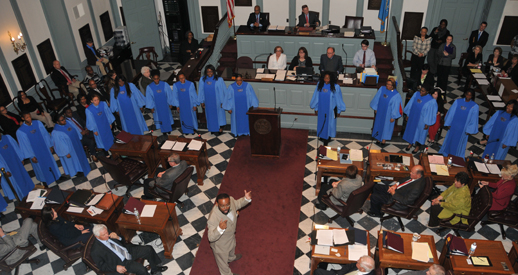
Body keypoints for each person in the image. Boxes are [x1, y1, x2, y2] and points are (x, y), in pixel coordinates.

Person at [91, 224, 167, 275]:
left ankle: (155, 269)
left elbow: (123, 241)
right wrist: (115, 267)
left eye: (106, 232)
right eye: (103, 235)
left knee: (148, 249)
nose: (107, 235)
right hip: (121, 262)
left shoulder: (107, 232)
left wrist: (118, 237)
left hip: (127, 251)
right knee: (142, 270)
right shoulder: (96, 250)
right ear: (97, 236)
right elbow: (101, 266)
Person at [208, 191, 252, 275]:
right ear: (217, 204)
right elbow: (211, 237)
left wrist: (246, 199)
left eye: (227, 205)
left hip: (230, 236)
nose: (225, 208)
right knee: (222, 262)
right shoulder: (213, 217)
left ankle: (231, 258)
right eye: (222, 206)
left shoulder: (230, 200)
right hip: (220, 244)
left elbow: (238, 203)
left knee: (232, 247)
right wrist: (219, 229)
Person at [17, 112, 61, 186]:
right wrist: (31, 156)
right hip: (34, 152)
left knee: (50, 162)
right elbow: (24, 145)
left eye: (30, 116)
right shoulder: (20, 131)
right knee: (40, 167)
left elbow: (45, 134)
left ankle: (56, 176)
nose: (29, 118)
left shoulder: (37, 123)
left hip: (44, 147)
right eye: (27, 117)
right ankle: (44, 180)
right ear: (23, 118)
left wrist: (49, 145)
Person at [438, 89, 478, 158]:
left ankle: (456, 155)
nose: (468, 96)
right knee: (450, 140)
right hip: (454, 125)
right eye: (467, 94)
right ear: (465, 94)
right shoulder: (458, 101)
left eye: (470, 95)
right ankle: (446, 152)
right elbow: (451, 112)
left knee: (459, 143)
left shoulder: (474, 106)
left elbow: (474, 119)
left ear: (472, 96)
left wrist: (469, 130)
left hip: (463, 128)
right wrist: (448, 123)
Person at [309, 72, 346, 145]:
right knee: (322, 122)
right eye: (325, 78)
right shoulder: (320, 85)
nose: (326, 79)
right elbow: (316, 97)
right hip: (321, 108)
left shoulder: (335, 87)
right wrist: (316, 108)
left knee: (329, 124)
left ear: (331, 79)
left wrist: (339, 110)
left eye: (328, 78)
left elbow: (338, 99)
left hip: (331, 110)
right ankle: (322, 136)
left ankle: (327, 137)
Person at [403, 86, 438, 154]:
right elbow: (410, 104)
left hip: (422, 120)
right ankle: (410, 143)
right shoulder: (416, 94)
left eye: (423, 91)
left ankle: (417, 147)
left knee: (420, 133)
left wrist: (427, 123)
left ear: (427, 92)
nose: (420, 92)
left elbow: (431, 113)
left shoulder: (431, 101)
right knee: (411, 130)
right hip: (413, 116)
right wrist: (408, 114)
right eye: (420, 90)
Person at [0, 133, 34, 201]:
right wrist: (3, 171)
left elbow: (16, 146)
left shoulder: (7, 137)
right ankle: (22, 198)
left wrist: (21, 158)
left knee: (23, 177)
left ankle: (31, 192)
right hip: (7, 167)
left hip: (16, 162)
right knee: (14, 182)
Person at [370, 79, 402, 145]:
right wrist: (376, 108)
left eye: (390, 84)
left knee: (386, 126)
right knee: (379, 124)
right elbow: (377, 98)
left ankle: (383, 140)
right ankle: (378, 138)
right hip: (380, 111)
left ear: (393, 85)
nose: (388, 85)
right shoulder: (382, 89)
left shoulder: (396, 95)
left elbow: (396, 107)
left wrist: (393, 116)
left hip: (388, 114)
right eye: (387, 84)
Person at [198, 65, 227, 135]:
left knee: (219, 115)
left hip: (218, 101)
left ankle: (220, 128)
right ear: (206, 72)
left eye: (211, 71)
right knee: (210, 115)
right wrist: (202, 101)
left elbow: (223, 91)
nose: (209, 73)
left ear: (214, 71)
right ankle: (212, 128)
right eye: (208, 72)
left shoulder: (219, 79)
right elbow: (201, 91)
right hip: (208, 102)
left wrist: (223, 102)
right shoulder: (202, 80)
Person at [146, 70, 174, 134]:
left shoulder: (165, 84)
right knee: (160, 117)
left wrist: (170, 103)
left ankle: (168, 129)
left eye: (157, 78)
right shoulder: (149, 87)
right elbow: (149, 98)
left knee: (166, 117)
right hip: (156, 106)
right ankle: (163, 130)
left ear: (159, 78)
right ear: (153, 79)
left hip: (165, 105)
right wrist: (151, 107)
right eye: (155, 79)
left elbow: (169, 94)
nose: (156, 80)